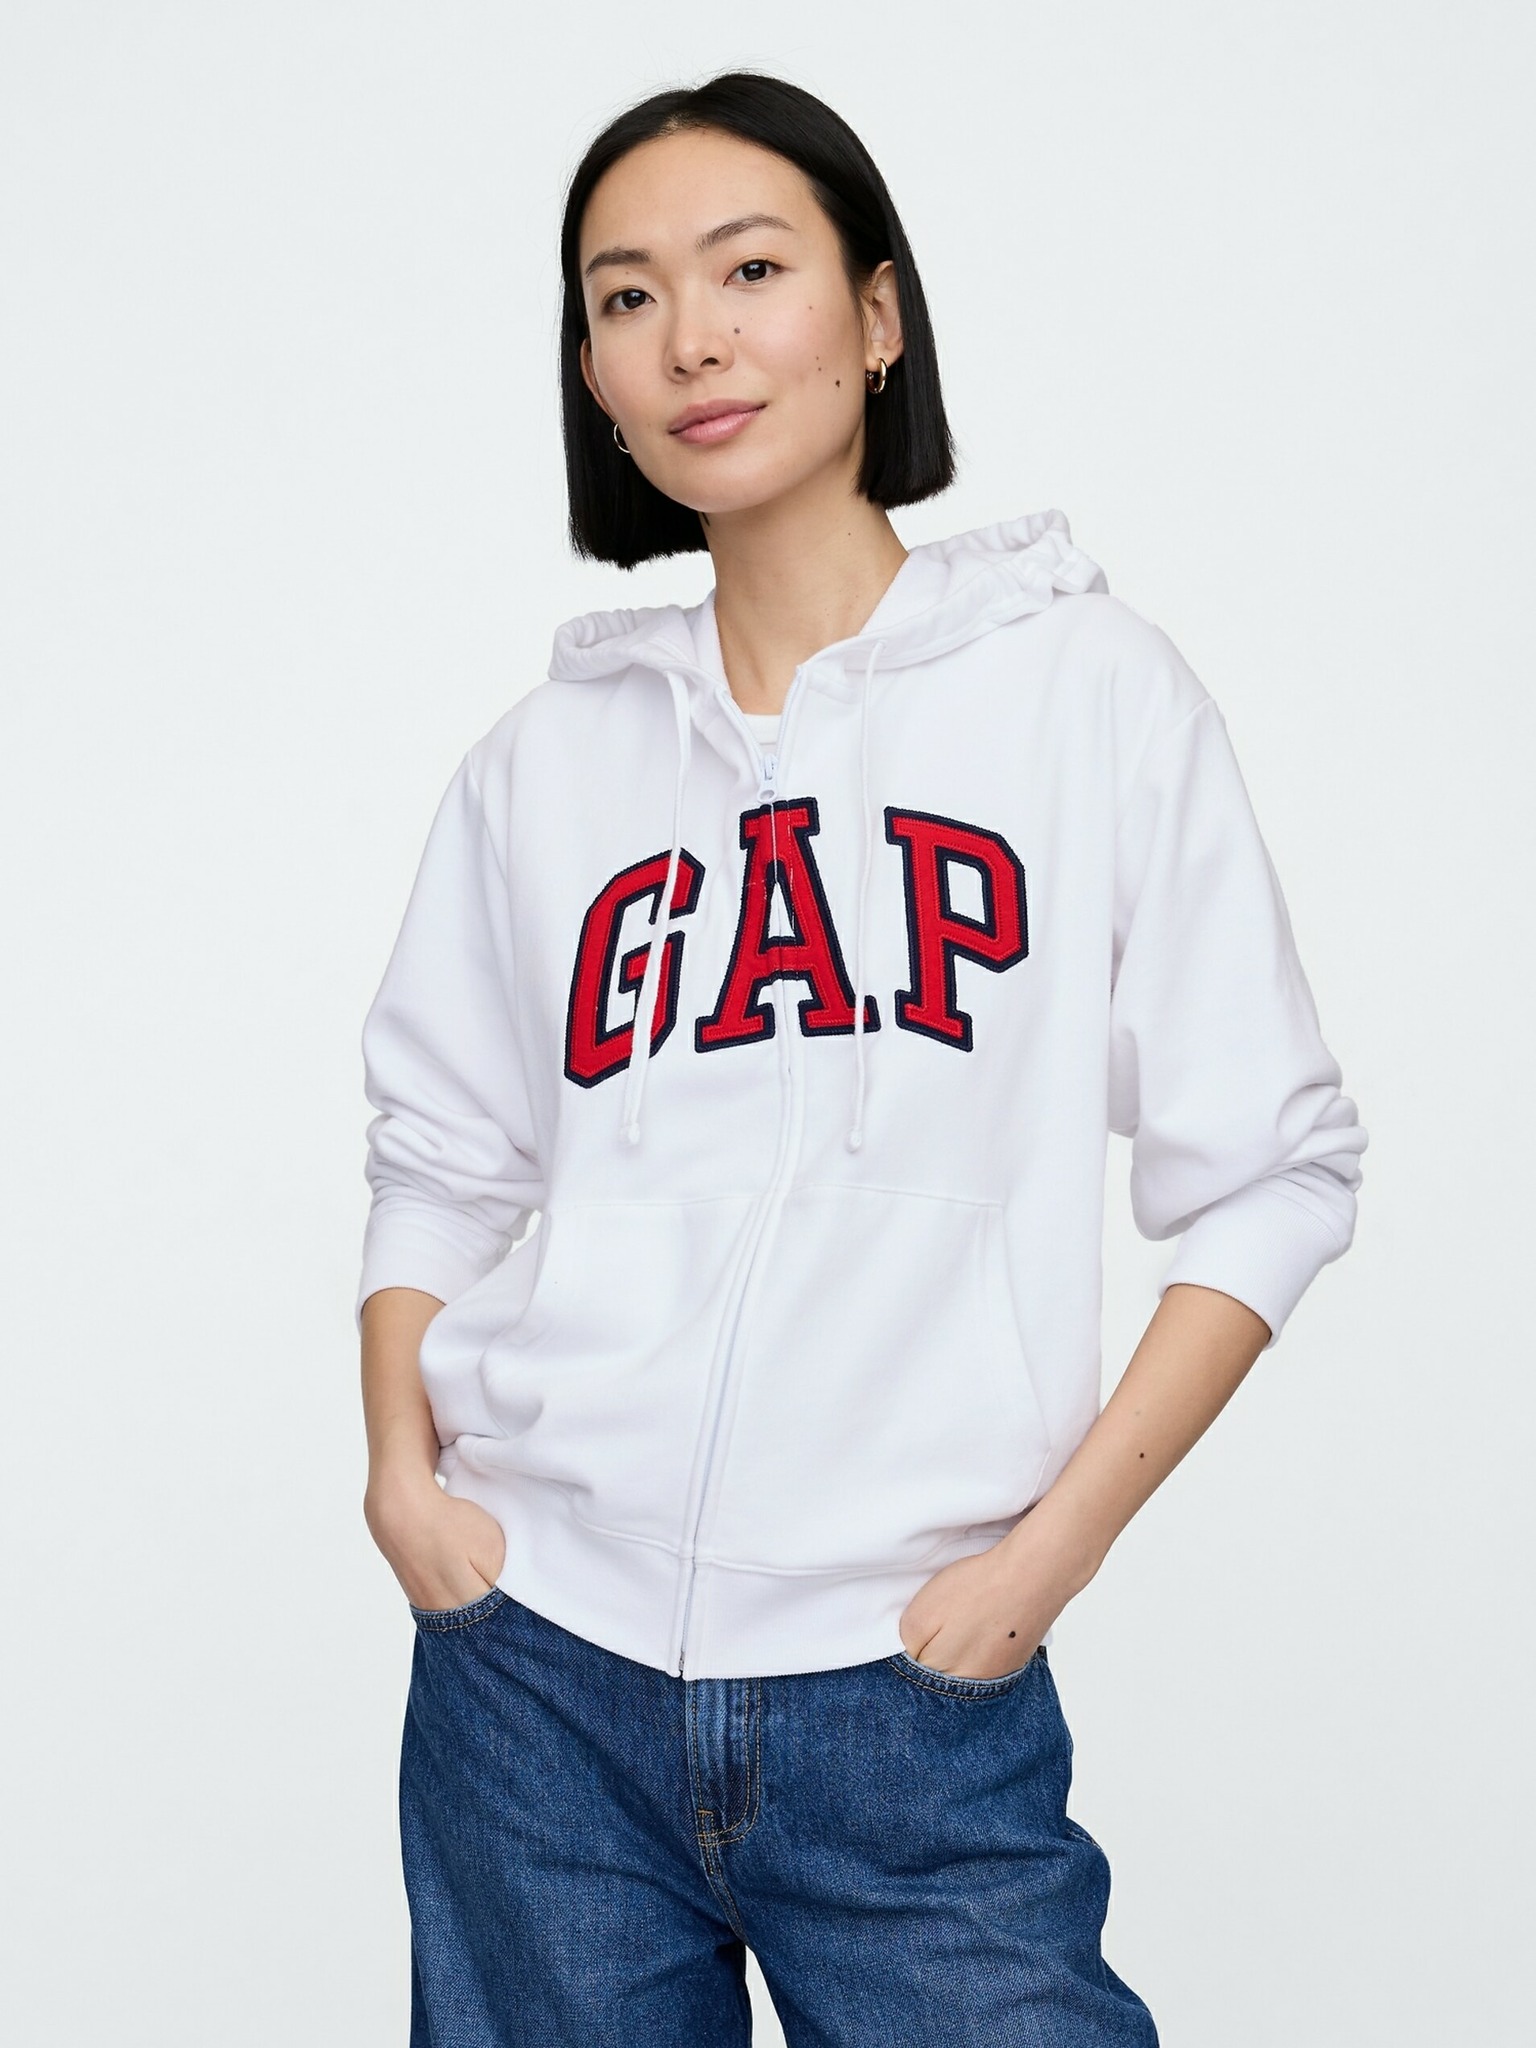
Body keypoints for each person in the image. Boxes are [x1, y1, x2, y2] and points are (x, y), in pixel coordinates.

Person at [355, 70, 1367, 2048]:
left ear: (879, 315)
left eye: (751, 269)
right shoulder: (544, 766)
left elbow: (1278, 1168)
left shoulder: (1085, 694)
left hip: (904, 1693)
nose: (692, 338)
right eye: (626, 296)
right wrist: (406, 1483)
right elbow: (440, 1160)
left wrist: (1042, 1563)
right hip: (535, 1677)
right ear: (593, 373)